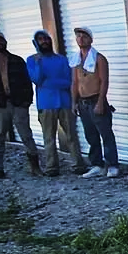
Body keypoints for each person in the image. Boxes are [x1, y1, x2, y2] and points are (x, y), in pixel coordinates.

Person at [0, 29, 41, 179]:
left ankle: (35, 166)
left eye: (0, 39)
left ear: (5, 41)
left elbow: (27, 82)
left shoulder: (17, 60)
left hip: (18, 103)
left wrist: (27, 101)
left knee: (26, 135)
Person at [26, 30, 87, 177]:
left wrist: (51, 83)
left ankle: (78, 164)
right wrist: (39, 63)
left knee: (72, 135)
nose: (44, 41)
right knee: (49, 137)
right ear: (36, 43)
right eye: (40, 39)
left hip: (65, 102)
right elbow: (37, 79)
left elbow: (69, 81)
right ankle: (52, 167)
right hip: (46, 104)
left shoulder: (61, 59)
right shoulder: (31, 60)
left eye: (46, 39)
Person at [70, 26, 120, 178]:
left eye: (84, 36)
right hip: (83, 103)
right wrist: (74, 102)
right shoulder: (76, 59)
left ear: (90, 39)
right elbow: (74, 82)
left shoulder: (99, 58)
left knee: (106, 134)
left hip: (96, 100)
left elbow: (104, 81)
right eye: (78, 36)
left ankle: (112, 164)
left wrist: (100, 102)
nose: (81, 39)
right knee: (90, 135)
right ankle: (97, 164)